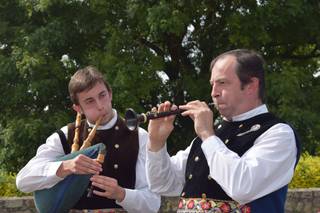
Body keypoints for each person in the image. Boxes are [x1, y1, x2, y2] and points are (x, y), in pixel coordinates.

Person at [146, 49, 300, 212]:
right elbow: (162, 184)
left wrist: (207, 134)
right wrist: (156, 143)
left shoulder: (279, 134)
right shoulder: (210, 137)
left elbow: (241, 187)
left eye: (222, 83)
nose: (214, 93)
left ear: (251, 85)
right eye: (213, 84)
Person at [16, 66, 160, 213]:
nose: (100, 106)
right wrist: (65, 166)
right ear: (78, 108)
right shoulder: (66, 135)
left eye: (102, 95)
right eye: (90, 101)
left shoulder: (140, 137)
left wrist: (121, 194)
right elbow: (23, 181)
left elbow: (153, 203)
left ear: (110, 94)